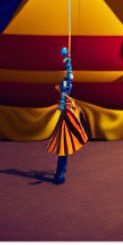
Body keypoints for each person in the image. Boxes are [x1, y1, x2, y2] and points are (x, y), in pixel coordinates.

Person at [46, 47, 88, 184]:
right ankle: (60, 174)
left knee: (63, 150)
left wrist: (67, 60)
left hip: (66, 118)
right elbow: (69, 76)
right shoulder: (66, 87)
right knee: (63, 150)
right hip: (65, 118)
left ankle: (60, 174)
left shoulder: (66, 89)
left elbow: (69, 76)